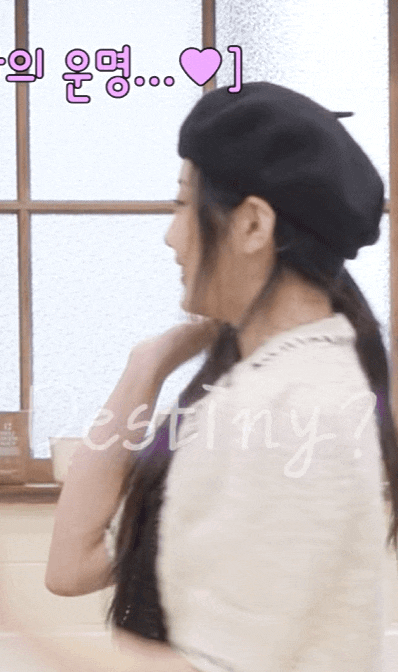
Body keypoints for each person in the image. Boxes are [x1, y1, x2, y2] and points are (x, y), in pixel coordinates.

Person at [45, 82, 398, 672]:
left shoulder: (300, 409)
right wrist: (148, 365)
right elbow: (71, 566)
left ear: (253, 225)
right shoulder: (254, 391)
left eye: (183, 204)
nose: (170, 235)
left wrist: (10, 625)